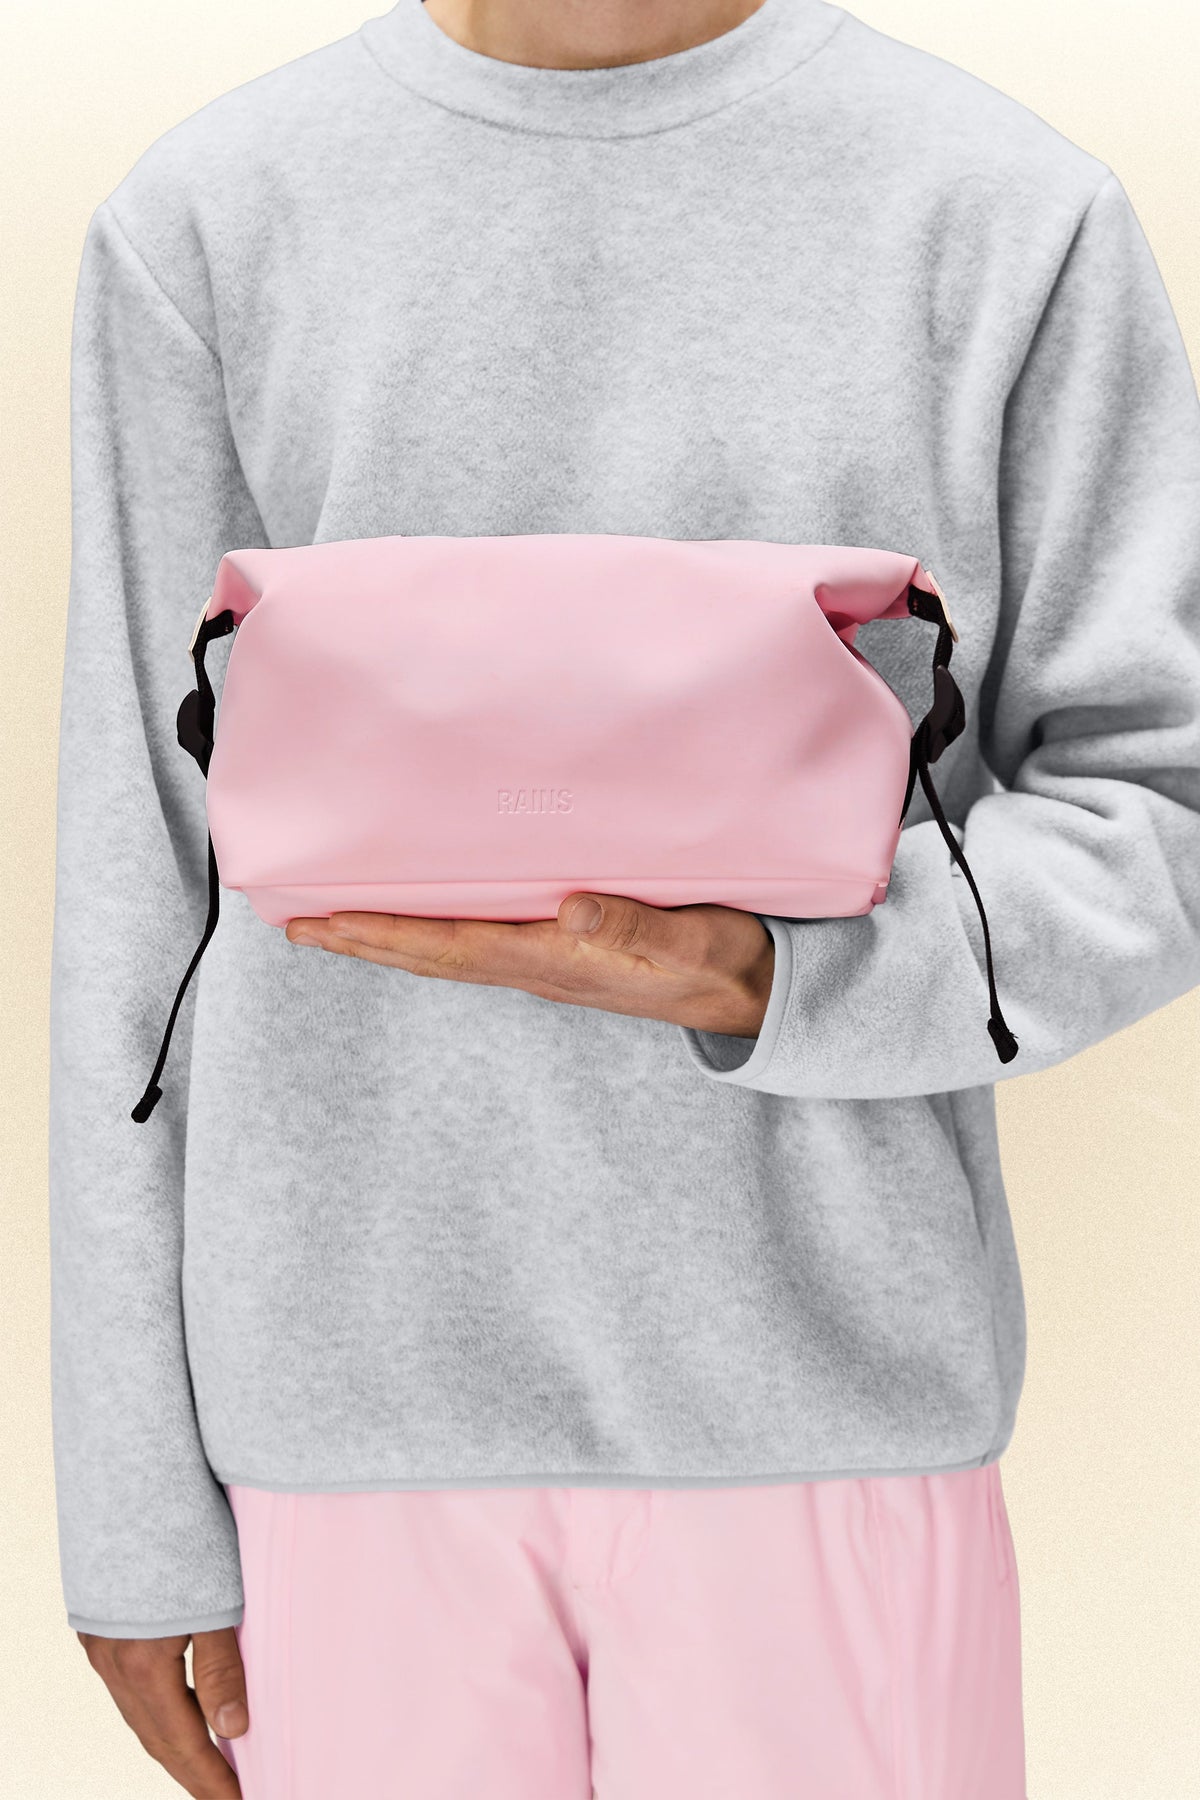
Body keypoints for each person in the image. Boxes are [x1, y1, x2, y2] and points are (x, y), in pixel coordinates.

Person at [48, 0, 1200, 1795]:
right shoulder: (211, 214)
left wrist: (771, 975)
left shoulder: (1001, 206)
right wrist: (130, 1501)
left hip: (824, 1405)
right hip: (335, 1432)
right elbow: (142, 865)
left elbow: (1160, 793)